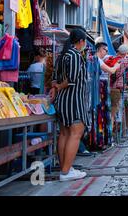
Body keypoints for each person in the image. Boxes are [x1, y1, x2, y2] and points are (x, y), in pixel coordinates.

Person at [50, 29, 89, 181]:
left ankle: (65, 169)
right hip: (72, 100)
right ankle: (66, 172)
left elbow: (54, 78)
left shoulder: (61, 56)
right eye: (84, 42)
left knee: (65, 134)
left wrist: (55, 88)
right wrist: (59, 87)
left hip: (63, 101)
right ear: (81, 41)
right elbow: (71, 80)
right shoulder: (74, 55)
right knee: (76, 132)